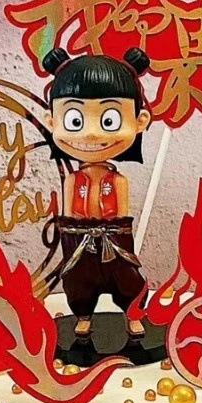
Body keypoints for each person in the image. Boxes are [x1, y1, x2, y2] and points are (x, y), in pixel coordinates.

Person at [42, 46, 152, 341]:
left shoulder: (119, 181)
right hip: (77, 239)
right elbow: (68, 215)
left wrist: (113, 234)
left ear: (140, 121)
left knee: (127, 278)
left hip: (114, 240)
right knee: (78, 280)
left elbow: (123, 217)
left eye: (108, 120)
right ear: (52, 122)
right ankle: (83, 315)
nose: (91, 134)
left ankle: (133, 313)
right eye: (75, 120)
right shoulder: (71, 181)